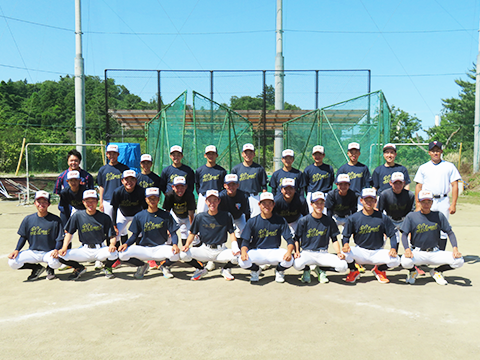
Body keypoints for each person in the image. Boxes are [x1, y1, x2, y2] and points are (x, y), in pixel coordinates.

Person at [400, 190, 464, 285]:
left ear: (432, 202)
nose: (426, 204)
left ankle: (437, 271)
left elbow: (450, 232)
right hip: (418, 253)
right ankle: (413, 271)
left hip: (435, 252)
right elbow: (404, 235)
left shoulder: (438, 215)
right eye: (423, 202)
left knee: (459, 261)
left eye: (428, 202)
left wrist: (455, 249)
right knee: (404, 261)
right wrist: (407, 249)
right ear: (419, 202)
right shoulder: (412, 216)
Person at [54, 190, 118, 280]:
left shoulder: (104, 217)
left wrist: (112, 244)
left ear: (97, 202)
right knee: (61, 256)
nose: (90, 204)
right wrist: (64, 247)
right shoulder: (77, 216)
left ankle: (107, 267)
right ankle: (79, 267)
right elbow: (69, 233)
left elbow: (112, 235)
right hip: (84, 249)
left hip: (100, 249)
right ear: (83, 202)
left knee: (115, 253)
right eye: (87, 201)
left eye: (93, 201)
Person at [118, 187, 181, 279]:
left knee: (177, 254)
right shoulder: (139, 216)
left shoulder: (166, 215)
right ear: (146, 199)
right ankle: (142, 265)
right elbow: (135, 235)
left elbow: (173, 233)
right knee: (122, 254)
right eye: (150, 198)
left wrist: (175, 244)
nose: (152, 200)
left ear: (158, 199)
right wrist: (126, 244)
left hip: (160, 248)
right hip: (144, 249)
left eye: (155, 198)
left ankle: (164, 266)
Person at [342, 188, 400, 284]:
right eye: (366, 200)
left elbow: (392, 235)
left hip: (377, 252)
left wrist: (393, 248)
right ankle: (354, 270)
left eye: (371, 200)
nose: (369, 203)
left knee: (396, 260)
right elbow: (345, 236)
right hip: (360, 251)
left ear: (375, 201)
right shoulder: (354, 218)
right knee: (344, 254)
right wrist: (346, 244)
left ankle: (380, 270)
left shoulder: (382, 217)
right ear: (361, 201)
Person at [180, 190, 240, 281]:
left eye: (215, 200)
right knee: (183, 254)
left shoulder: (226, 215)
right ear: (206, 202)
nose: (212, 203)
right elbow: (192, 233)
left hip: (221, 250)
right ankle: (201, 269)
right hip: (205, 249)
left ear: (219, 201)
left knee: (239, 257)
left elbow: (232, 232)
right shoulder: (200, 217)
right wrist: (187, 245)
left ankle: (226, 269)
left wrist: (235, 246)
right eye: (209, 200)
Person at [413, 140, 461, 250]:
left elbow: (454, 185)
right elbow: (418, 186)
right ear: (429, 152)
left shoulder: (449, 166)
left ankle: (440, 252)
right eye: (433, 151)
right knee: (424, 225)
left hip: (443, 200)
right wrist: (417, 204)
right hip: (427, 200)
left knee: (442, 227)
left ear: (441, 152)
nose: (435, 153)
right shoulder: (423, 167)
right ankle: (422, 250)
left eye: (438, 151)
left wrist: (453, 204)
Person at [238, 192, 294, 283]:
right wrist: (243, 251)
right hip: (258, 251)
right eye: (264, 203)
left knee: (290, 260)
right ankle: (256, 270)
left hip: (274, 251)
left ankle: (279, 270)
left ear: (273, 204)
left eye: (270, 203)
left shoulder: (280, 220)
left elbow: (289, 240)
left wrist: (289, 252)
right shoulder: (252, 221)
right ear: (259, 204)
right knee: (241, 261)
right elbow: (245, 241)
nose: (267, 206)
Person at [293, 191, 348, 284]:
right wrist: (297, 251)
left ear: (324, 204)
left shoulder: (329, 220)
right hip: (307, 252)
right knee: (297, 264)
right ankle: (306, 270)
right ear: (311, 204)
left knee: (343, 266)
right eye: (316, 203)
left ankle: (321, 269)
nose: (319, 205)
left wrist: (338, 253)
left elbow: (334, 239)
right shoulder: (304, 220)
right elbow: (296, 238)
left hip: (323, 253)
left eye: (321, 202)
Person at [8, 191, 63, 281]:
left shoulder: (55, 220)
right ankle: (37, 268)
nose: (41, 204)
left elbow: (59, 238)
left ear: (49, 204)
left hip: (49, 252)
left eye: (44, 202)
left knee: (55, 262)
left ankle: (50, 269)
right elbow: (23, 237)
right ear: (34, 203)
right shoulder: (28, 219)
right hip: (33, 252)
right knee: (12, 262)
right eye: (39, 202)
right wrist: (16, 250)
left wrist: (56, 250)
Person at [54, 149, 94, 227]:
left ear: (79, 161)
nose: (73, 163)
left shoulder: (87, 176)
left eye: (76, 160)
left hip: (82, 208)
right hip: (66, 209)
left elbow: (91, 192)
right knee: (66, 231)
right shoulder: (62, 176)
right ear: (67, 161)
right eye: (71, 160)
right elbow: (59, 192)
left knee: (85, 230)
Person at [377, 172, 415, 251]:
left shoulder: (409, 195)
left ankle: (412, 257)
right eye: (395, 183)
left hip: (404, 219)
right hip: (390, 218)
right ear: (390, 183)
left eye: (400, 183)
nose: (398, 186)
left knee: (411, 239)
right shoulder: (385, 194)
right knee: (382, 238)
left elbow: (412, 211)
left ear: (404, 183)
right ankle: (379, 257)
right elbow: (380, 211)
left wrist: (410, 227)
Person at [231, 143, 268, 217]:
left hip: (254, 196)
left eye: (250, 153)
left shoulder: (259, 168)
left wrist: (264, 200)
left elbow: (264, 186)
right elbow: (232, 185)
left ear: (254, 154)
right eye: (246, 153)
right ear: (242, 154)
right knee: (240, 219)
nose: (248, 155)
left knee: (256, 219)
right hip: (240, 197)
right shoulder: (236, 169)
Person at [96, 144, 130, 219]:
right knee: (109, 222)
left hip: (122, 200)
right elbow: (101, 186)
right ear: (106, 154)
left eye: (114, 153)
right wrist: (101, 202)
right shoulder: (103, 169)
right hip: (108, 200)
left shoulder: (124, 168)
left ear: (118, 154)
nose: (112, 156)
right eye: (109, 153)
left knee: (121, 223)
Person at [163, 176, 196, 247]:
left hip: (187, 216)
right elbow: (167, 212)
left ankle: (193, 253)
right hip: (175, 215)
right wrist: (168, 227)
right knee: (168, 234)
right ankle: (169, 252)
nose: (180, 190)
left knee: (195, 235)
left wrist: (192, 229)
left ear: (186, 187)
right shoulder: (169, 195)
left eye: (182, 187)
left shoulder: (189, 195)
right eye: (177, 187)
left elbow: (191, 213)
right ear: (173, 187)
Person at [336, 142, 372, 209]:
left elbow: (367, 184)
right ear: (348, 153)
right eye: (351, 152)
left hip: (360, 197)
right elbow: (338, 185)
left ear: (359, 153)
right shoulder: (343, 169)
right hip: (347, 197)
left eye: (356, 152)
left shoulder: (363, 168)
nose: (353, 154)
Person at [195, 145, 227, 213]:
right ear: (205, 155)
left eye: (213, 154)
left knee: (217, 217)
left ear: (217, 155)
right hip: (204, 197)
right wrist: (201, 193)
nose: (211, 156)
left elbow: (224, 186)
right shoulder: (199, 170)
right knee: (201, 217)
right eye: (209, 154)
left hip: (217, 197)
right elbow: (197, 185)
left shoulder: (222, 171)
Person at [303, 145, 335, 212]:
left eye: (320, 154)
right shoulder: (308, 169)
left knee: (325, 215)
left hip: (325, 194)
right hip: (312, 194)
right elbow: (305, 185)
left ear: (323, 155)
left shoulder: (329, 168)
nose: (318, 157)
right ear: (312, 155)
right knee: (312, 215)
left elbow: (331, 182)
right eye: (315, 154)